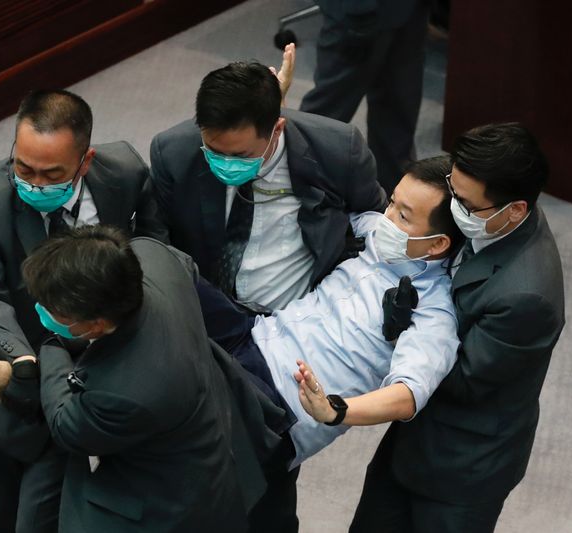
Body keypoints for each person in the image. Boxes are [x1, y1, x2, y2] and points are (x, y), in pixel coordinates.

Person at [196, 156, 464, 532]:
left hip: (278, 403)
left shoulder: (434, 313)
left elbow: (407, 395)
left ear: (436, 243)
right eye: (391, 203)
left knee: (181, 463)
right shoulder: (375, 229)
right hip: (253, 334)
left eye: (403, 216)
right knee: (168, 267)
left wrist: (334, 410)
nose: (387, 217)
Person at [0, 226, 280, 532]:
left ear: (97, 325)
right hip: (217, 430)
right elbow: (187, 267)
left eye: (53, 313)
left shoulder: (128, 392)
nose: (42, 313)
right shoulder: (151, 257)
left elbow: (65, 423)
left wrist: (47, 349)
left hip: (171, 506)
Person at [0, 89, 166, 533]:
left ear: (84, 162)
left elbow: (153, 240)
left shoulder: (124, 171)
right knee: (4, 507)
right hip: (17, 363)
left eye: (51, 175)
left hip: (101, 358)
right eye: (23, 168)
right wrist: (23, 365)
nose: (34, 183)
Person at [341, 123, 565, 533]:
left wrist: (401, 330)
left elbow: (462, 380)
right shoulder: (493, 210)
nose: (453, 207)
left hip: (462, 469)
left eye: (464, 202)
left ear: (514, 209)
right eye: (452, 188)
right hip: (410, 445)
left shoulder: (527, 298)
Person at [150, 60, 387, 313]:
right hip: (208, 312)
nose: (226, 164)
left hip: (297, 317)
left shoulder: (338, 151)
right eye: (214, 152)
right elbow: (158, 242)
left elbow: (374, 220)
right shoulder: (173, 152)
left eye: (241, 156)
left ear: (277, 129)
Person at [299, 0, 431, 194]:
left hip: (409, 11)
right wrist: (357, 10)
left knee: (398, 107)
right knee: (326, 115)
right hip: (359, 14)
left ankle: (392, 201)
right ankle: (298, 194)